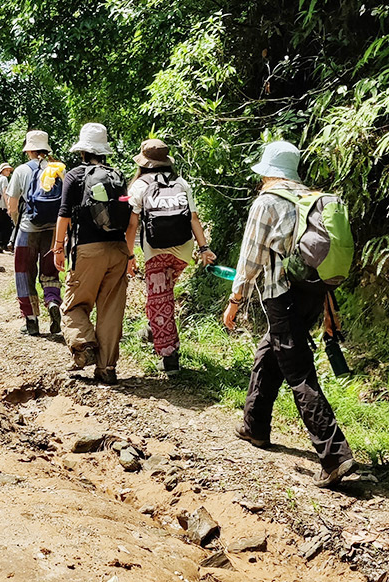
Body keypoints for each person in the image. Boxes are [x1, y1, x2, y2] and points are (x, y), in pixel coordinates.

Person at [223, 140, 355, 488]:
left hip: (282, 293)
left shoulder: (266, 202)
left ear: (267, 172)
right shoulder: (315, 200)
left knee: (298, 370)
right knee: (272, 350)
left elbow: (250, 258)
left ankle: (334, 455)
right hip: (313, 291)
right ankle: (255, 425)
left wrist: (236, 300)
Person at [54, 123, 135, 385]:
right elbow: (129, 217)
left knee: (74, 305)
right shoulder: (118, 175)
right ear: (104, 152)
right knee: (111, 310)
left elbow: (64, 214)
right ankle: (107, 369)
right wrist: (130, 254)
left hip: (87, 250)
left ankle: (84, 344)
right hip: (118, 249)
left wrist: (58, 247)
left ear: (82, 151)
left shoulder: (75, 175)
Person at [127, 139, 216, 374]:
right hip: (183, 250)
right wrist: (203, 248)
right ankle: (152, 328)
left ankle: (169, 357)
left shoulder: (139, 185)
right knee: (162, 296)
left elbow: (132, 224)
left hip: (156, 250)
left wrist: (128, 255)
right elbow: (193, 219)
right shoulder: (181, 183)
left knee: (161, 299)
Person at [7, 130, 63, 336]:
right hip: (52, 229)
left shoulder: (21, 170)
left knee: (24, 272)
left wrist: (16, 223)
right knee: (50, 271)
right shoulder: (58, 169)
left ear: (29, 149)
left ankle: (31, 320)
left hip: (28, 228)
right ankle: (52, 302)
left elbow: (12, 206)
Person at [0, 162, 15, 253]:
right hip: (2, 206)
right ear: (2, 170)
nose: (9, 172)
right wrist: (9, 206)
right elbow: (5, 192)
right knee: (6, 226)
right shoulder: (4, 179)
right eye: (7, 170)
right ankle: (3, 244)